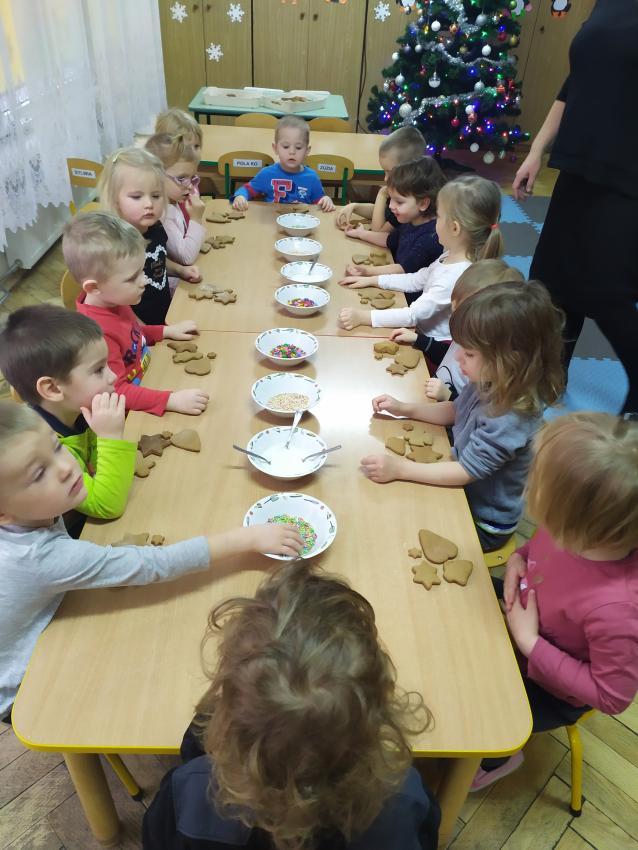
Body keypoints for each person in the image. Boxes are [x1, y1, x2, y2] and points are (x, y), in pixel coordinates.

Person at [0, 400, 302, 723]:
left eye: (57, 446)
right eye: (38, 474)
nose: (65, 467)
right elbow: (154, 564)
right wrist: (247, 539)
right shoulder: (40, 557)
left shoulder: (30, 512)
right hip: (20, 688)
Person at [142, 561, 440, 850]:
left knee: (195, 736)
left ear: (228, 721)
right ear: (381, 706)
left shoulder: (188, 798)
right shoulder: (404, 799)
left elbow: (156, 838)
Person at [471, 413, 638, 790]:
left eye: (537, 482)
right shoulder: (577, 531)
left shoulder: (617, 612)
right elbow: (541, 546)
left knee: (483, 714)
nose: (527, 487)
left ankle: (500, 758)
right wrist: (518, 559)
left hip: (549, 689)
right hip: (522, 615)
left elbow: (611, 697)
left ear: (583, 523)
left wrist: (529, 642)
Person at [361, 281, 564, 552]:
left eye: (468, 353)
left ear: (510, 360)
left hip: (482, 521)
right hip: (459, 483)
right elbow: (455, 410)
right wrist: (404, 408)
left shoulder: (510, 418)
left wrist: (400, 469)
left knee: (397, 525)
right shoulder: (493, 378)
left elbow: (466, 471)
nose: (457, 358)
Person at [512, 0, 638, 415]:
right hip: (578, 166)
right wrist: (537, 150)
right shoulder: (608, 5)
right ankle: (552, 375)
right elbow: (574, 83)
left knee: (607, 290)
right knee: (551, 280)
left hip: (627, 174)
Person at [338, 175, 503, 368]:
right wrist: (373, 280)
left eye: (439, 216)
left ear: (454, 228)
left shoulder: (456, 275)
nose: (434, 222)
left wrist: (362, 317)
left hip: (433, 352)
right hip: (419, 334)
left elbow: (412, 315)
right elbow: (417, 279)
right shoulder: (450, 254)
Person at [64, 211, 209, 417]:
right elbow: (116, 391)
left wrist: (165, 332)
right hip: (131, 413)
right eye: (133, 278)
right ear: (94, 287)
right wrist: (170, 400)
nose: (145, 280)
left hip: (150, 376)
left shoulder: (113, 300)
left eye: (142, 271)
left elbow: (133, 334)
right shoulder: (97, 336)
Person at [0, 305, 135, 520]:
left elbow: (97, 467)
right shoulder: (47, 444)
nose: (113, 377)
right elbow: (107, 504)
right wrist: (110, 437)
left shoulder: (77, 408)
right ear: (53, 389)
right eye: (99, 370)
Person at [99, 147, 201, 325]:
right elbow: (118, 308)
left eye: (156, 195)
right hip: (141, 328)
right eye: (136, 197)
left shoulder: (155, 227)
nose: (149, 204)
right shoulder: (115, 247)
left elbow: (156, 258)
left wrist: (180, 270)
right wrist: (145, 332)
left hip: (165, 315)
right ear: (115, 199)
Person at [396, 260, 524, 401]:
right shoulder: (466, 336)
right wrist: (418, 339)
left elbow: (471, 408)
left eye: (460, 312)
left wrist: (448, 396)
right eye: (453, 309)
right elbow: (448, 357)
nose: (458, 355)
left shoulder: (489, 367)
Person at [341, 157, 445, 295]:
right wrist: (361, 234)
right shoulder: (411, 220)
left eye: (399, 202)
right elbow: (390, 239)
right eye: (391, 199)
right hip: (394, 284)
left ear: (423, 204)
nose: (390, 206)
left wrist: (367, 272)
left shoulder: (430, 237)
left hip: (407, 298)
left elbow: (402, 269)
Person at [231, 115, 335, 211]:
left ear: (307, 151)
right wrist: (240, 196)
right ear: (275, 148)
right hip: (272, 220)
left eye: (298, 147)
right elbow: (247, 190)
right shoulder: (267, 174)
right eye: (285, 146)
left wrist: (325, 200)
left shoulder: (312, 178)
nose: (292, 152)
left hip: (301, 222)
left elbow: (319, 201)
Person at [145, 133, 206, 294]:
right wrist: (196, 218)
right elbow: (186, 257)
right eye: (181, 179)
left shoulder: (174, 201)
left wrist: (180, 270)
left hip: (178, 279)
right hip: (172, 291)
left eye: (192, 178)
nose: (190, 186)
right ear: (156, 176)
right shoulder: (163, 213)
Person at [335, 126, 426, 232]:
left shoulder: (407, 203)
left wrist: (382, 193)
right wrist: (355, 206)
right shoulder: (401, 191)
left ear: (409, 170)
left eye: (389, 172)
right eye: (384, 171)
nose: (385, 178)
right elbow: (382, 213)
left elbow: (378, 230)